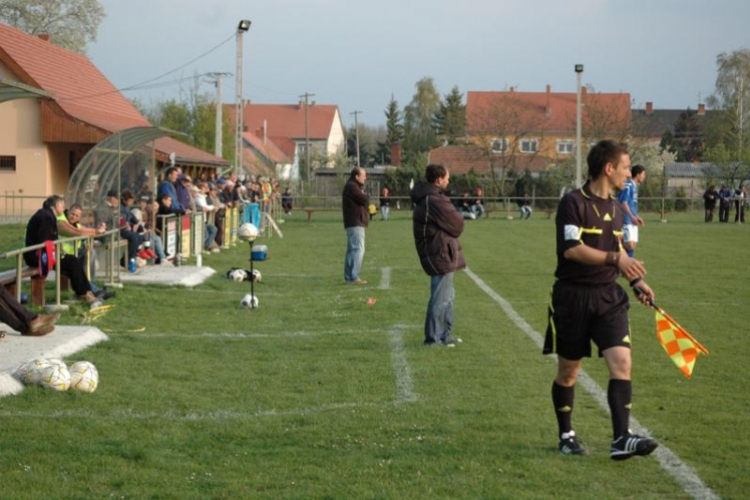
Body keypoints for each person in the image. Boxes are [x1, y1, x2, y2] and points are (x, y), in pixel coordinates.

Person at [544, 139, 659, 460]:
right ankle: (566, 434)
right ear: (608, 169)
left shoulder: (616, 206)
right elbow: (573, 250)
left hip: (609, 297)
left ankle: (622, 437)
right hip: (573, 297)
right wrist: (616, 260)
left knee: (622, 362)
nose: (628, 173)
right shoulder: (572, 203)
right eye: (625, 167)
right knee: (569, 371)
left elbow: (618, 250)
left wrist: (636, 280)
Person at [411, 164, 466, 347]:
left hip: (440, 252)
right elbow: (457, 224)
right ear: (438, 180)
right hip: (440, 253)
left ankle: (444, 335)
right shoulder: (434, 200)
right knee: (440, 298)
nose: (448, 181)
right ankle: (433, 338)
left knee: (448, 297)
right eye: (447, 178)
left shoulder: (430, 198)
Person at [25, 195, 101, 306]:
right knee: (72, 262)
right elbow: (46, 240)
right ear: (56, 205)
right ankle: (85, 294)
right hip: (38, 256)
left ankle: (85, 292)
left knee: (73, 262)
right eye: (62, 205)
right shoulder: (47, 217)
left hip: (39, 254)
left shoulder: (46, 215)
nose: (64, 207)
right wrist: (57, 253)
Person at [56, 204, 116, 300]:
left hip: (74, 253)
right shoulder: (61, 221)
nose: (74, 217)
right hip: (62, 255)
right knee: (78, 266)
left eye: (77, 216)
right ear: (68, 211)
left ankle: (91, 284)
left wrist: (87, 240)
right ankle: (94, 291)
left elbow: (82, 230)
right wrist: (97, 231)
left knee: (91, 252)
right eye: (72, 214)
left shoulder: (77, 224)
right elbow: (77, 232)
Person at [342, 167, 369, 285]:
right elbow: (365, 199)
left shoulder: (352, 186)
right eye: (363, 175)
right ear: (356, 177)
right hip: (355, 222)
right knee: (358, 249)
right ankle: (353, 277)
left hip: (353, 222)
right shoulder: (352, 187)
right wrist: (364, 195)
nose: (365, 178)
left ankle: (349, 277)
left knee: (352, 250)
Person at [618, 164, 646, 257]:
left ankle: (628, 267)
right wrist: (631, 217)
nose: (644, 177)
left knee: (632, 245)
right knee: (628, 245)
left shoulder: (634, 187)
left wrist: (637, 217)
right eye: (643, 174)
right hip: (626, 220)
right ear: (638, 175)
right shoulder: (628, 185)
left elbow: (632, 205)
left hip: (632, 220)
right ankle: (620, 263)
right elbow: (623, 202)